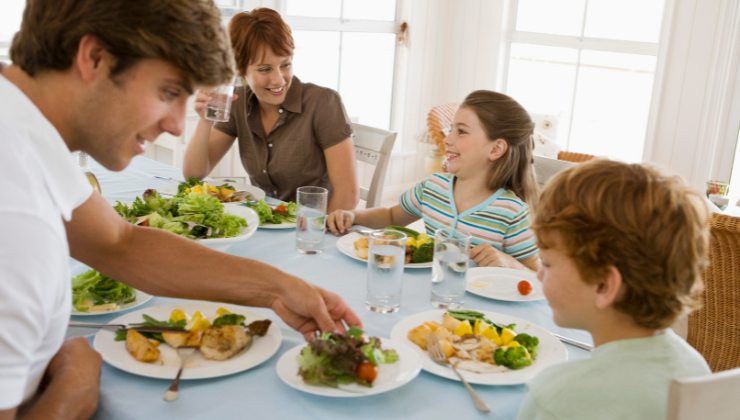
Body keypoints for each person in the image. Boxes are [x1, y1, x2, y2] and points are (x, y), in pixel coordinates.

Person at [0, 1, 361, 418]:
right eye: (168, 92)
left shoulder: (26, 135)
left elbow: (121, 243)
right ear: (95, 58)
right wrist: (76, 386)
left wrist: (278, 287)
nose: (175, 125)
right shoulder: (16, 213)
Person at [517, 159, 711, 420]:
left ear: (604, 285)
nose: (539, 274)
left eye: (548, 264)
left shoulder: (558, 397)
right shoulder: (695, 368)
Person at [327, 90, 540, 271]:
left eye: (461, 132)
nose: (447, 139)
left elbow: (536, 277)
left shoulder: (512, 212)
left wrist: (509, 263)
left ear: (495, 149)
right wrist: (353, 216)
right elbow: (391, 216)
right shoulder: (433, 187)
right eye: (451, 129)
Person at [183, 8, 359, 212]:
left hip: (313, 231)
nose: (278, 79)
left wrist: (316, 235)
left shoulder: (323, 102)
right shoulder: (237, 103)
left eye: (285, 65)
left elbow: (348, 196)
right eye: (264, 69)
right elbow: (194, 174)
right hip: (265, 224)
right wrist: (205, 120)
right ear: (239, 69)